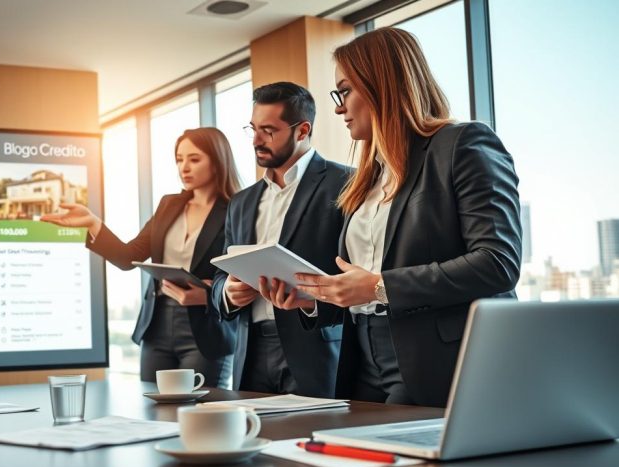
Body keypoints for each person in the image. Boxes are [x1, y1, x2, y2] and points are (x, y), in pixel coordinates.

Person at [285, 27, 521, 407]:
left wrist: (380, 287)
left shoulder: (463, 145)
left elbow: (497, 263)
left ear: (382, 84)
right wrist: (315, 299)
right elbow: (365, 281)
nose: (338, 107)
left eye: (345, 91)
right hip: (362, 359)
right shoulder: (367, 178)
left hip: (436, 359)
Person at [42, 127, 241, 387]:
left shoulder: (237, 209)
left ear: (217, 160)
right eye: (179, 159)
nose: (184, 167)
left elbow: (239, 273)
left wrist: (206, 294)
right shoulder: (168, 205)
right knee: (153, 414)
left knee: (199, 414)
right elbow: (128, 256)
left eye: (194, 159)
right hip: (157, 327)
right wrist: (93, 223)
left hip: (207, 328)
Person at [211, 82, 350, 397]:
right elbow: (221, 275)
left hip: (316, 351)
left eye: (268, 131)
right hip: (250, 353)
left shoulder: (345, 184)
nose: (257, 140)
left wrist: (312, 304)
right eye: (253, 129)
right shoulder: (241, 201)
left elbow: (358, 273)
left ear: (302, 131)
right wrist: (228, 294)